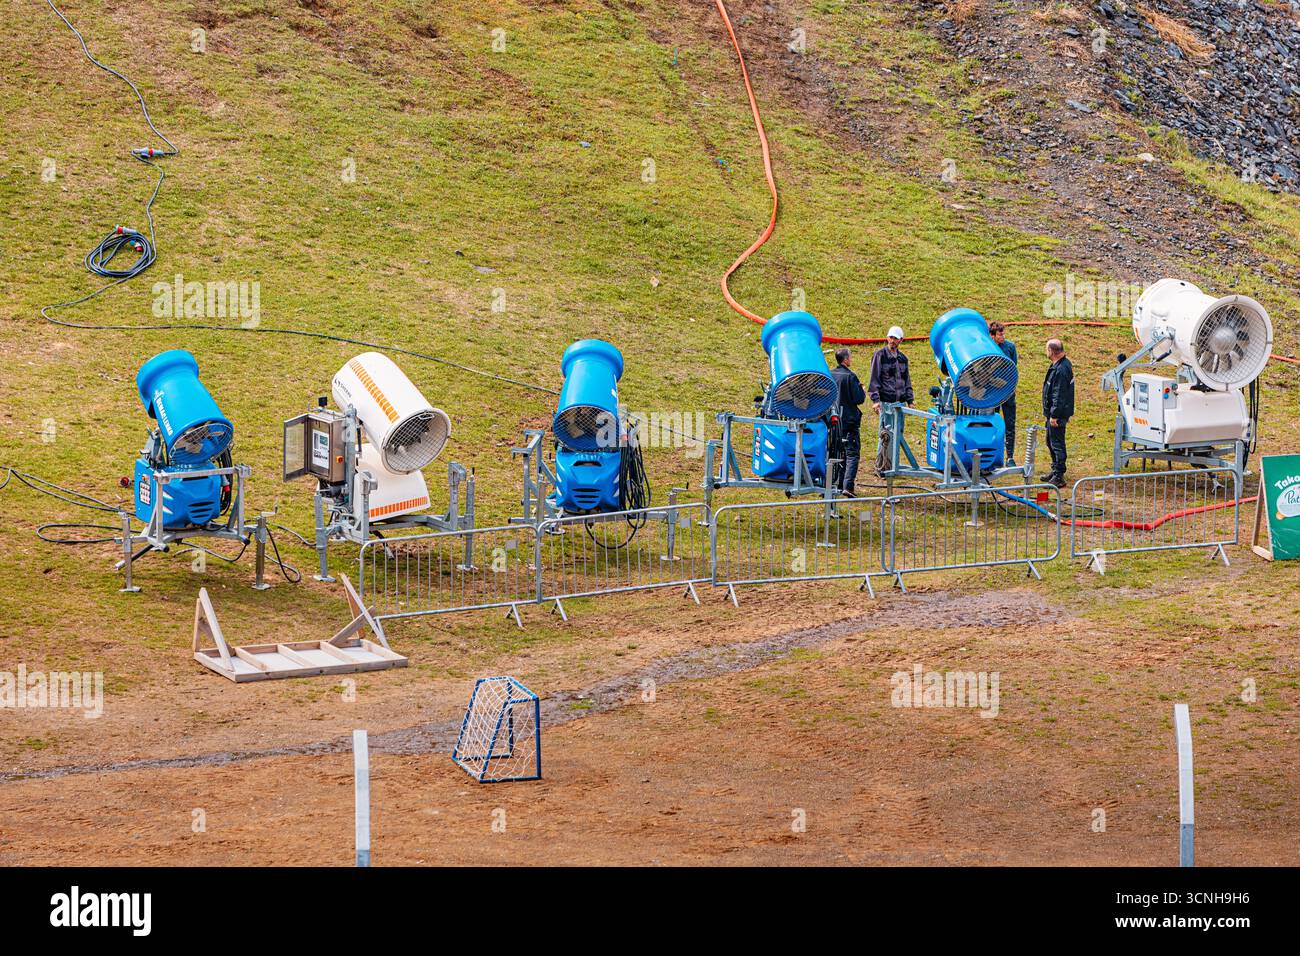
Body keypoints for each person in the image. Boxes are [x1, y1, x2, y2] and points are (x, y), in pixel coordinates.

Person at [868, 325, 914, 474]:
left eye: (895, 338)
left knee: (898, 433)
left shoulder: (903, 359)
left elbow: (907, 381)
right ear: (887, 338)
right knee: (885, 435)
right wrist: (875, 400)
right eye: (890, 337)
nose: (892, 341)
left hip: (899, 403)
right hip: (886, 403)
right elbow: (874, 379)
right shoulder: (880, 355)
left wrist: (910, 400)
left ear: (901, 340)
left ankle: (892, 464)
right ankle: (881, 467)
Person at [830, 347, 865, 496]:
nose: (851, 359)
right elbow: (859, 399)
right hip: (849, 421)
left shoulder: (830, 375)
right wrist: (861, 389)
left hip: (833, 421)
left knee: (836, 454)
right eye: (850, 357)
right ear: (845, 359)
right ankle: (848, 486)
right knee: (852, 454)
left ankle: (836, 484)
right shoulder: (850, 377)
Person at [1040, 338, 1074, 488]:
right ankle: (1055, 470)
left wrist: (1054, 415)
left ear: (1051, 351)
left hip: (1057, 414)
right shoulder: (1060, 365)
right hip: (1054, 413)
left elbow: (1058, 394)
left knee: (1056, 443)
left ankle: (1059, 475)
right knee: (1050, 441)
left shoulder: (1061, 369)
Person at [988, 321, 1019, 465]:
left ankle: (1010, 456)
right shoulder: (986, 347)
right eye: (1000, 334)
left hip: (1008, 391)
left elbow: (1013, 367)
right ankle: (992, 454)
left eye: (1003, 333)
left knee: (1009, 423)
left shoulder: (1010, 347)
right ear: (992, 335)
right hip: (992, 392)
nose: (1003, 337)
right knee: (991, 422)